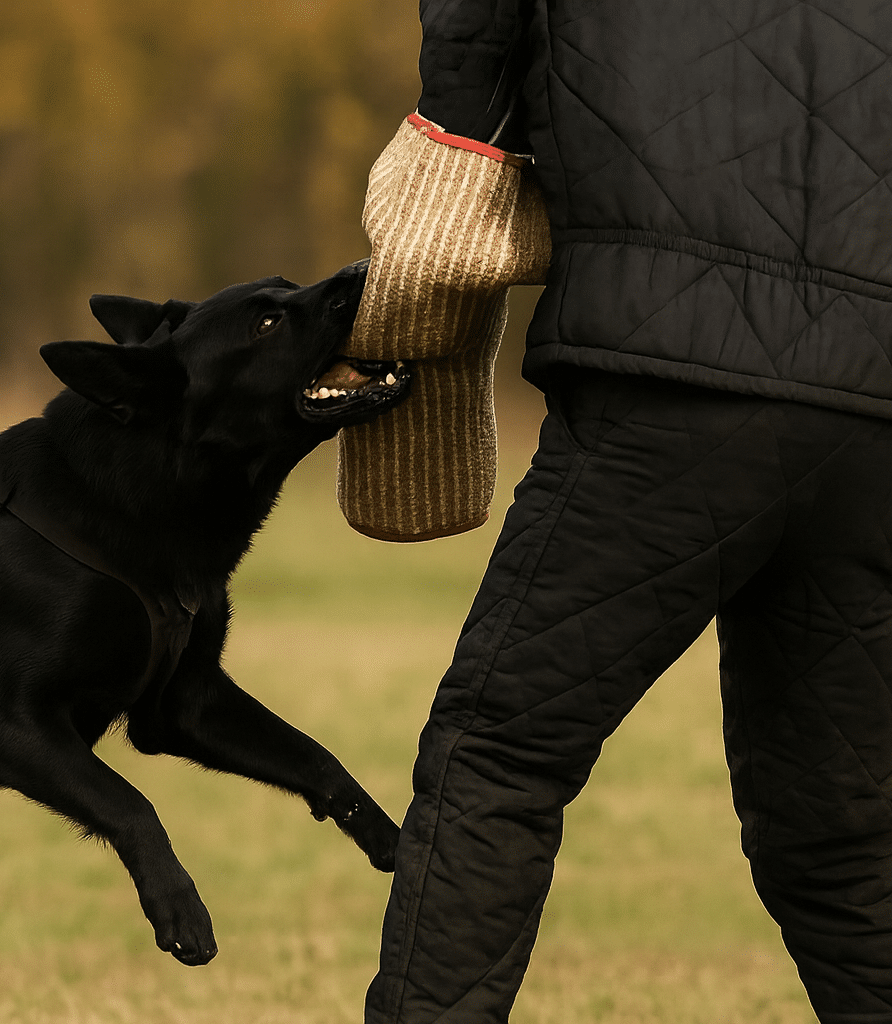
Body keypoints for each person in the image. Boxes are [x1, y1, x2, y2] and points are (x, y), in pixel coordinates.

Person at [366, 2, 892, 1021]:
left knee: (500, 754)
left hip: (669, 378)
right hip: (876, 402)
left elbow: (470, 65)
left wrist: (445, 200)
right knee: (846, 842)